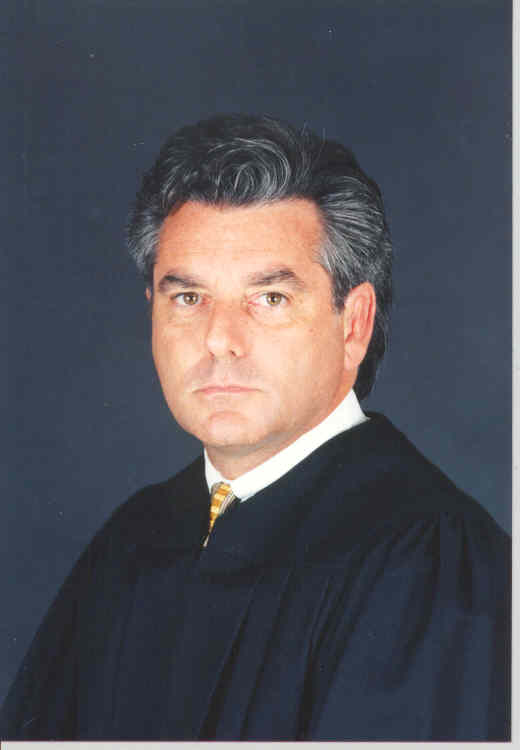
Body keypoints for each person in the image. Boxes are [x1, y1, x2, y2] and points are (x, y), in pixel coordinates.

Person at [1, 114, 510, 741]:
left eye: (270, 298)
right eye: (188, 298)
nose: (220, 339)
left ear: (353, 323)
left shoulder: (428, 559)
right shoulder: (133, 540)